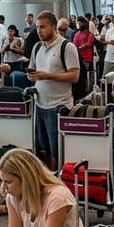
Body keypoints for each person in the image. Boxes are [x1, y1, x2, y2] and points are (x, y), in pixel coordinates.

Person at [29, 11, 80, 171]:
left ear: (53, 27)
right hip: (40, 104)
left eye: (43, 27)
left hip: (59, 106)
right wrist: (33, 77)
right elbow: (34, 70)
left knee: (58, 150)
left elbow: (74, 76)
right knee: (42, 148)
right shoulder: (37, 47)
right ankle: (46, 178)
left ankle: (60, 181)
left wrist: (47, 76)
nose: (39, 31)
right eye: (37, 27)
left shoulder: (67, 47)